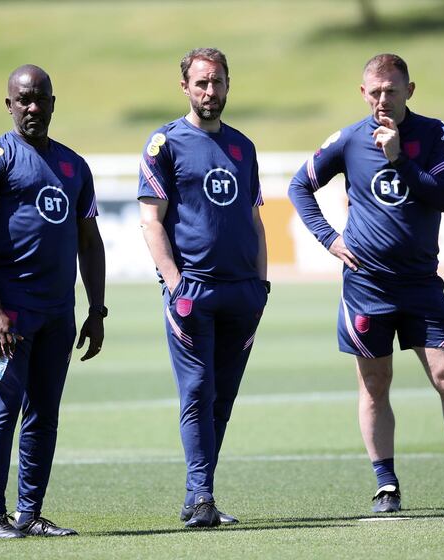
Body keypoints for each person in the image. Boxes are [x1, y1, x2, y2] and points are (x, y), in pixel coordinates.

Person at [288, 53, 444, 513]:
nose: (382, 100)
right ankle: (386, 485)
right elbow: (299, 186)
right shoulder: (348, 140)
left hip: (420, 284)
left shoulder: (435, 135)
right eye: (374, 92)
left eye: (391, 91)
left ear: (409, 91)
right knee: (375, 382)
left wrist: (399, 159)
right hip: (366, 286)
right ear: (362, 93)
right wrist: (328, 238)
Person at [0, 64, 107, 538]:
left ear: (52, 102)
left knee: (44, 413)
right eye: (23, 99)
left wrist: (96, 310)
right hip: (11, 315)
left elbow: (90, 241)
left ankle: (29, 513)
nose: (32, 107)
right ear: (8, 104)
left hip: (57, 316)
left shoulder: (73, 166)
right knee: (1, 409)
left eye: (40, 98)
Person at [138, 47, 269, 528]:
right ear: (185, 87)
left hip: (243, 294)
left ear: (228, 84)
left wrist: (262, 285)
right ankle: (199, 496)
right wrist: (175, 285)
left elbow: (255, 221)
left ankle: (202, 496)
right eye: (200, 83)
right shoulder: (164, 143)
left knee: (223, 399)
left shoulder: (243, 146)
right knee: (197, 389)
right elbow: (151, 221)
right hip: (193, 291)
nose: (209, 91)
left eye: (216, 82)